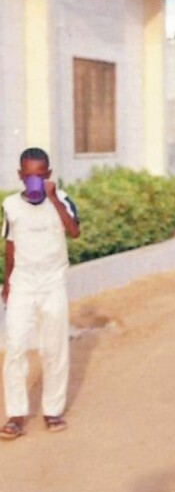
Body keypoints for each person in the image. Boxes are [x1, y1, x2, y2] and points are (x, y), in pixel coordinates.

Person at [1, 148, 80, 439]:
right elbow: (10, 245)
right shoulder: (10, 205)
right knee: (15, 347)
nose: (33, 179)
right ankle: (16, 415)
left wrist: (54, 198)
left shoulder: (63, 199)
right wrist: (8, 282)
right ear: (20, 176)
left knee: (54, 347)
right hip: (23, 283)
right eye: (28, 175)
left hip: (52, 283)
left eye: (39, 174)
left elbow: (74, 231)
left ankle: (52, 410)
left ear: (47, 174)